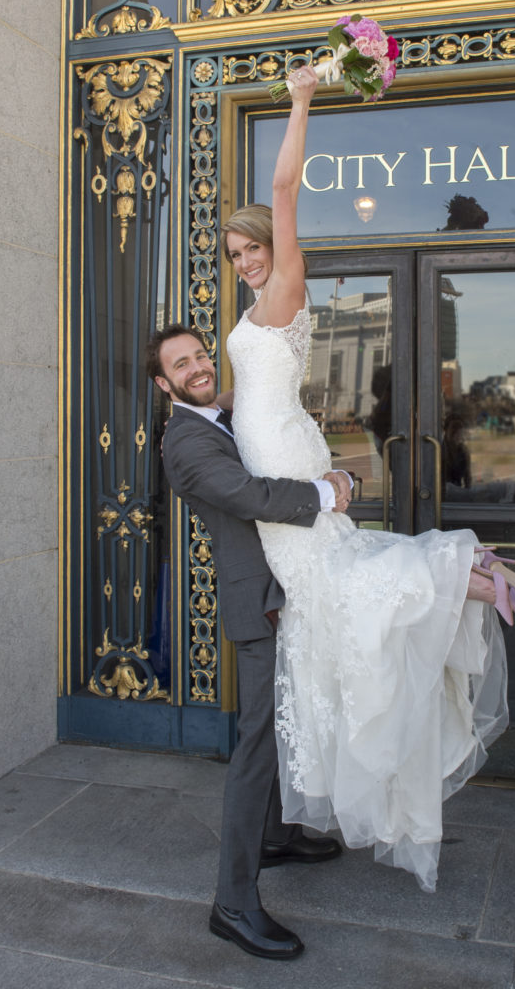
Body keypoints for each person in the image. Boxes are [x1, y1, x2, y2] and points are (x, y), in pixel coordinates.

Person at [219, 66, 515, 897]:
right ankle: (476, 578)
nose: (248, 263)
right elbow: (248, 393)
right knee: (332, 589)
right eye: (238, 255)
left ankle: (473, 579)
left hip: (283, 465)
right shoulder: (253, 315)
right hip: (283, 447)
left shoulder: (285, 290)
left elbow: (285, 185)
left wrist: (299, 99)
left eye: (254, 247)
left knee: (337, 588)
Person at [146, 322, 352, 961]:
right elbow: (247, 494)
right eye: (182, 364)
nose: (198, 367)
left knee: (284, 726)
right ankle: (232, 903)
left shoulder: (217, 416)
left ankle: (274, 835)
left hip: (285, 586)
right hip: (256, 601)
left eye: (202, 355)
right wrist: (325, 493)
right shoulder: (184, 441)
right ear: (164, 383)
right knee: (259, 742)